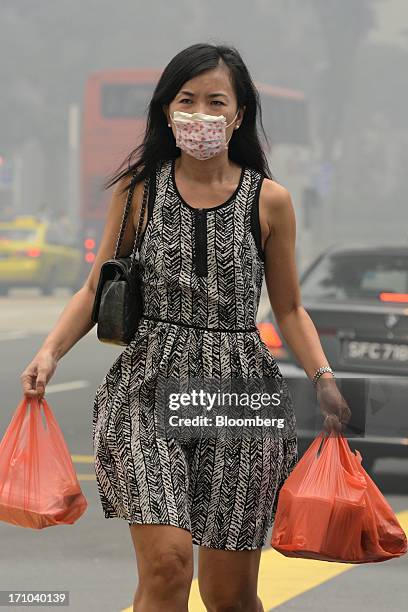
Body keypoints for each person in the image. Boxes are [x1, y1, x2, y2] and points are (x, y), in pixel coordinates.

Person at [20, 43, 351, 612]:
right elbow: (98, 285)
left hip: (240, 397)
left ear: (239, 113)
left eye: (215, 101)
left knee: (229, 595)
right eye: (186, 100)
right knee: (169, 565)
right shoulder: (139, 189)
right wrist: (49, 353)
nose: (199, 114)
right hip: (146, 388)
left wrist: (322, 376)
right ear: (166, 112)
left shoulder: (270, 202)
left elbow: (290, 308)